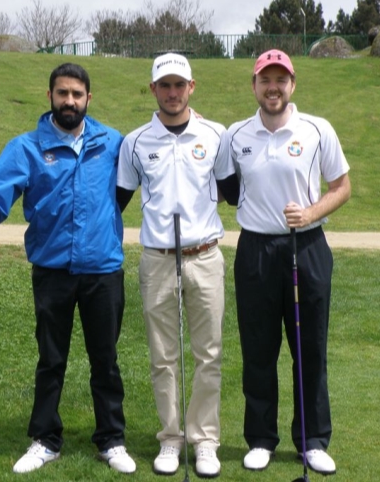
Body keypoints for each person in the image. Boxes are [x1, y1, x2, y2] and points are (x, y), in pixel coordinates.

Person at [0, 62, 136, 475]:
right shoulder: (28, 147)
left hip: (103, 270)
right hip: (52, 271)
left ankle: (112, 440)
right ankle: (46, 440)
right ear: (50, 96)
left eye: (77, 94)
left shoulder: (113, 143)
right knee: (51, 359)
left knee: (104, 360)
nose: (69, 101)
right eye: (62, 93)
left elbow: (131, 187)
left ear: (89, 98)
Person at [219, 49, 351, 475]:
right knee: (258, 348)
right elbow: (228, 188)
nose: (272, 87)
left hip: (306, 246)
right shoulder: (236, 135)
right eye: (265, 80)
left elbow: (342, 186)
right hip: (255, 250)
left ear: (292, 84)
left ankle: (312, 440)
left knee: (309, 347)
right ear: (254, 85)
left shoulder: (317, 129)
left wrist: (311, 213)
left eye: (280, 79)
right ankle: (261, 438)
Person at [115, 53, 238, 478]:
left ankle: (204, 440)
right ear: (153, 90)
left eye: (179, 85)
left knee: (209, 354)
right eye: (164, 85)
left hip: (204, 255)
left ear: (192, 87)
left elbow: (231, 190)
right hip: (158, 259)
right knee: (163, 356)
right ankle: (171, 438)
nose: (172, 92)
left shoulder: (215, 135)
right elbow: (118, 201)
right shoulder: (134, 142)